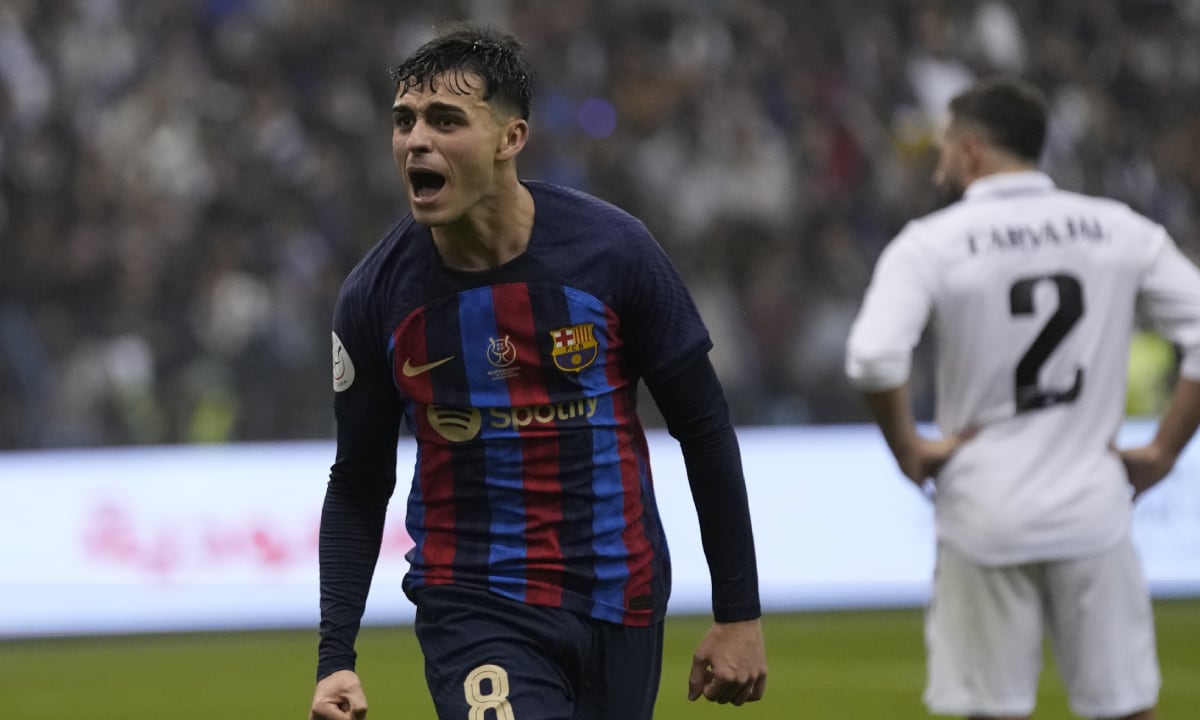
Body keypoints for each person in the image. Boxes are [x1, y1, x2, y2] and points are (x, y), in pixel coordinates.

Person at [308, 23, 767, 720]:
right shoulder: (376, 295)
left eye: (445, 120)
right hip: (475, 603)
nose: (415, 141)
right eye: (404, 121)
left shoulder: (615, 254)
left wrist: (738, 614)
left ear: (510, 138)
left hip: (621, 592)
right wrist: (335, 656)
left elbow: (702, 426)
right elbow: (358, 481)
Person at [845, 75, 1200, 720]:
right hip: (1093, 505)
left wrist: (910, 451)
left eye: (947, 146)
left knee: (991, 710)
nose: (941, 160)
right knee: (1126, 709)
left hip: (984, 509)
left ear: (975, 150)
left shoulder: (930, 244)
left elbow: (873, 356)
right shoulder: (1118, 228)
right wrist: (1165, 450)